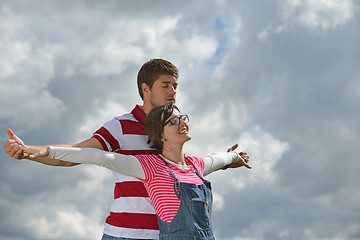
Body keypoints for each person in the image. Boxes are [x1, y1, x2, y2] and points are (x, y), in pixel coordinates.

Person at [4, 58, 248, 240]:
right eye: (166, 85)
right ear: (146, 88)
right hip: (125, 233)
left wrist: (228, 160)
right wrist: (31, 152)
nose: (173, 91)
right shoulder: (121, 126)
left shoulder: (175, 126)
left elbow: (185, 170)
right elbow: (79, 154)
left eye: (175, 85)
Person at [25, 104, 252, 240]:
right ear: (160, 135)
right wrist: (43, 151)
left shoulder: (197, 165)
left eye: (183, 118)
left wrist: (237, 158)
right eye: (173, 121)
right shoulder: (149, 166)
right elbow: (92, 155)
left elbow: (226, 156)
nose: (182, 123)